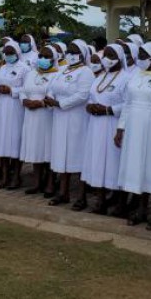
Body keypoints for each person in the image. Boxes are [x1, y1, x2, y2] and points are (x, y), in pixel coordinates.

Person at [115, 42, 151, 224]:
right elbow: (128, 103)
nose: (139, 59)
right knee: (138, 168)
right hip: (134, 129)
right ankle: (141, 210)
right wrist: (120, 128)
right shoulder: (136, 75)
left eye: (142, 55)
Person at [81, 44, 130, 214]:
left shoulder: (126, 78)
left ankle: (120, 203)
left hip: (113, 125)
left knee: (114, 163)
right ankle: (100, 201)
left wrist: (109, 109)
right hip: (95, 125)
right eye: (105, 55)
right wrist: (90, 106)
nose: (106, 58)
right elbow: (91, 96)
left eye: (111, 55)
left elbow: (128, 104)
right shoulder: (100, 76)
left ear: (119, 57)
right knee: (97, 162)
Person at [46, 40, 94, 207]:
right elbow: (52, 87)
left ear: (82, 54)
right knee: (61, 155)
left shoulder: (86, 72)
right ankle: (63, 193)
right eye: (69, 51)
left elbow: (83, 95)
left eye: (74, 51)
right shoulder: (64, 69)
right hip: (60, 118)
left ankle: (81, 196)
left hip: (76, 119)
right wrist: (51, 98)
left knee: (77, 155)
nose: (70, 55)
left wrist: (60, 103)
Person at [20, 46, 60, 196]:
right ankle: (36, 182)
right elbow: (23, 90)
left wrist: (40, 103)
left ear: (54, 58)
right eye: (41, 55)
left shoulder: (57, 75)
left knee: (47, 148)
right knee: (35, 148)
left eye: (47, 56)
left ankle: (50, 182)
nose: (43, 58)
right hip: (31, 116)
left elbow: (54, 94)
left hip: (47, 117)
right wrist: (24, 100)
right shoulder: (31, 73)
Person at [0, 41, 28, 189]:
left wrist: (12, 91)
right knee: (2, 141)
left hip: (16, 107)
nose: (8, 55)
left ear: (17, 52)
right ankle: (5, 176)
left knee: (15, 140)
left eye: (11, 52)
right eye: (6, 53)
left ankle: (16, 177)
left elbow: (26, 88)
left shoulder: (24, 68)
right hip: (1, 107)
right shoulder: (2, 67)